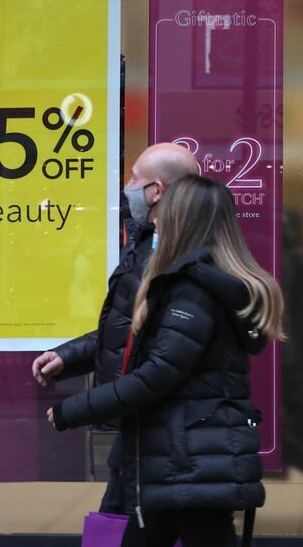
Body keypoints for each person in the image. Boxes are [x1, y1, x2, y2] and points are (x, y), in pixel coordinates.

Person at [48, 175, 283, 545]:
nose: (154, 221)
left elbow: (158, 374)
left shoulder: (192, 291)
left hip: (190, 458)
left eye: (162, 212)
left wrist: (73, 409)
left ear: (183, 220)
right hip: (181, 454)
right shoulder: (198, 283)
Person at [32, 143, 200, 513]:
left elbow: (161, 364)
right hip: (145, 433)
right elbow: (128, 331)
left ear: (157, 191)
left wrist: (78, 408)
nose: (127, 186)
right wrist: (67, 356)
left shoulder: (189, 263)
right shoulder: (144, 247)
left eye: (134, 178)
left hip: (173, 437)